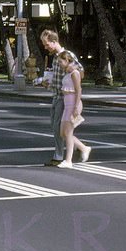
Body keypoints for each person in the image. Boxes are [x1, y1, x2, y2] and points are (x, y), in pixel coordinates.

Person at [39, 29, 83, 167]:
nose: (46, 48)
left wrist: (72, 76)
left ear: (54, 41)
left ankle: (59, 156)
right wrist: (46, 83)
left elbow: (80, 71)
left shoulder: (67, 55)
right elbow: (57, 79)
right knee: (56, 127)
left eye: (47, 44)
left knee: (59, 128)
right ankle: (82, 147)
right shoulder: (55, 59)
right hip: (56, 95)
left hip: (64, 98)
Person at [55, 50, 91, 168]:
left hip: (73, 104)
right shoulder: (67, 73)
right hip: (67, 104)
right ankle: (83, 148)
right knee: (63, 133)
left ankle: (68, 160)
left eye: (61, 62)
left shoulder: (74, 73)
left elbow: (79, 90)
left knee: (68, 133)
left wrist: (76, 107)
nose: (59, 64)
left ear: (67, 60)